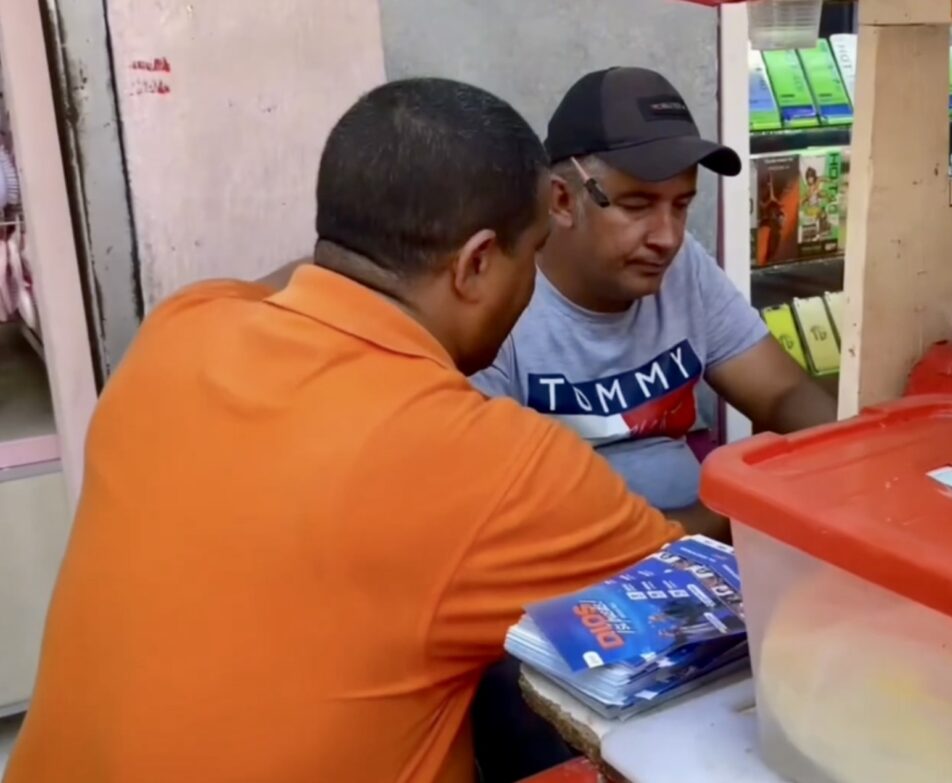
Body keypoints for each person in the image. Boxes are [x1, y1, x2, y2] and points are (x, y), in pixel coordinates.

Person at [4, 79, 680, 783]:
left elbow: (300, 280)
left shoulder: (180, 330)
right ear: (478, 263)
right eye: (533, 253)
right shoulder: (490, 461)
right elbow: (707, 600)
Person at [473, 67, 836, 531]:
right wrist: (736, 518)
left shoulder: (682, 265)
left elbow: (781, 392)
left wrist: (852, 464)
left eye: (681, 205)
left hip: (704, 542)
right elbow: (511, 520)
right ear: (561, 200)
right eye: (637, 206)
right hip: (593, 560)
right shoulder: (500, 297)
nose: (667, 237)